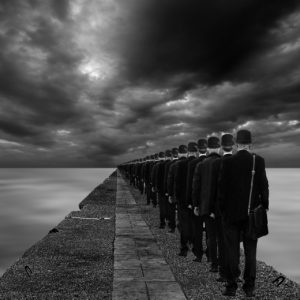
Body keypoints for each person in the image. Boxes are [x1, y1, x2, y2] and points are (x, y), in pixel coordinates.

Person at [219, 129, 269, 297]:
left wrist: (220, 210)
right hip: (252, 214)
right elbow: (264, 186)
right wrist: (264, 207)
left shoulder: (227, 162)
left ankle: (231, 286)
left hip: (231, 214)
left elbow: (222, 190)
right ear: (250, 144)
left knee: (232, 251)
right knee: (251, 252)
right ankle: (249, 288)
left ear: (237, 144)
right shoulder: (258, 161)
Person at [192, 136, 221, 272]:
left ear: (208, 149)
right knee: (221, 237)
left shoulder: (201, 164)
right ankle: (221, 262)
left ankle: (213, 263)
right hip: (220, 207)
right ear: (219, 147)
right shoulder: (223, 162)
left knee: (211, 235)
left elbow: (196, 187)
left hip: (205, 206)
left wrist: (196, 204)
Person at [211, 133, 234, 282]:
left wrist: (213, 209)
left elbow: (214, 189)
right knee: (232, 243)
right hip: (236, 211)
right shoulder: (237, 162)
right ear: (233, 145)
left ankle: (223, 272)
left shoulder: (215, 163)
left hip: (219, 210)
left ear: (221, 147)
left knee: (221, 240)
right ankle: (233, 273)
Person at [174, 142, 197, 257]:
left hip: (183, 199)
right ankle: (194, 244)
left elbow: (177, 183)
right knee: (194, 223)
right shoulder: (199, 162)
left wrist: (176, 198)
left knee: (183, 224)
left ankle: (184, 249)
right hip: (195, 200)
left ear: (188, 152)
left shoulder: (181, 164)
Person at [186, 138, 208, 262]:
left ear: (198, 150)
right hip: (211, 203)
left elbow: (192, 185)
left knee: (198, 230)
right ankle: (210, 254)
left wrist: (192, 203)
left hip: (198, 203)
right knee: (210, 232)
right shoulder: (216, 161)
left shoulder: (193, 164)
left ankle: (198, 254)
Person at [165, 148, 179, 233]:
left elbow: (169, 181)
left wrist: (169, 193)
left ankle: (172, 226)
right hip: (182, 193)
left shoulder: (171, 165)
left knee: (172, 210)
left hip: (173, 192)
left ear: (171, 155)